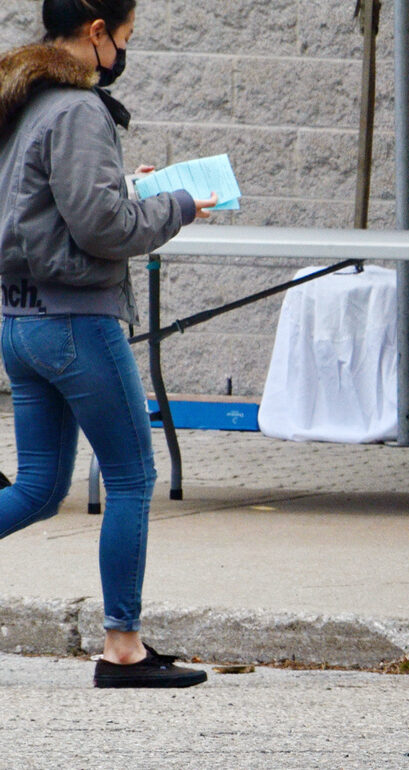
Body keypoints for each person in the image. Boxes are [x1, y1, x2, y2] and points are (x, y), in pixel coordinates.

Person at [0, 0, 217, 688]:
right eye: (125, 37)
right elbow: (102, 229)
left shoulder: (23, 103)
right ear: (97, 34)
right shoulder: (78, 109)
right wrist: (178, 203)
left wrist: (128, 190)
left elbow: (51, 206)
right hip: (74, 324)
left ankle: (125, 643)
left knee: (36, 488)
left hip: (19, 320)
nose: (124, 50)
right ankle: (123, 647)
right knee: (131, 477)